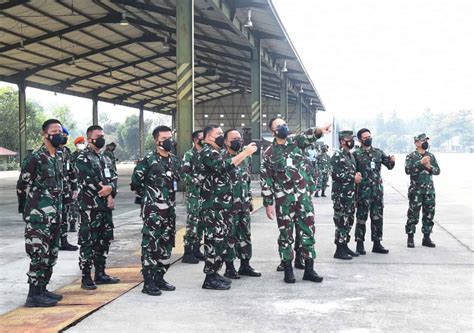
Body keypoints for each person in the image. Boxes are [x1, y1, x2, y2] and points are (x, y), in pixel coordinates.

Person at [261, 117, 330, 283]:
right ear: (273, 131)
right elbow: (266, 180)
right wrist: (268, 203)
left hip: (303, 199)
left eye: (284, 124)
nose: (283, 127)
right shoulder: (269, 153)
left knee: (308, 232)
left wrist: (319, 130)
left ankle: (309, 269)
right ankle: (288, 270)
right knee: (286, 236)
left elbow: (308, 135)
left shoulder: (295, 142)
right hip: (284, 201)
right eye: (279, 126)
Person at [200, 123, 257, 290]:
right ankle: (210, 278)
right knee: (213, 241)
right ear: (209, 136)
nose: (219, 135)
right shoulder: (208, 152)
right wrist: (245, 153)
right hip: (214, 207)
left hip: (224, 207)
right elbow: (222, 167)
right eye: (217, 134)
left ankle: (215, 273)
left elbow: (244, 180)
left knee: (220, 240)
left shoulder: (215, 152)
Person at [17, 119, 65, 307]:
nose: (59, 134)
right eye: (54, 131)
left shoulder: (58, 157)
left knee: (51, 254)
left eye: (60, 131)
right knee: (38, 254)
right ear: (45, 135)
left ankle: (42, 289)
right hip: (38, 218)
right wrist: (28, 210)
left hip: (55, 216)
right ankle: (33, 295)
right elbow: (22, 186)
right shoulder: (35, 158)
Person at [131, 126, 181, 296]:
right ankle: (149, 281)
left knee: (166, 244)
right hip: (153, 210)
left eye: (170, 137)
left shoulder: (174, 160)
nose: (169, 141)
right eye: (164, 138)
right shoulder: (148, 160)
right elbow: (136, 182)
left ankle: (160, 276)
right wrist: (148, 198)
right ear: (156, 140)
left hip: (169, 210)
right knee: (151, 244)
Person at [75, 125, 120, 290]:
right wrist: (107, 192)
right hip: (90, 207)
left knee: (104, 240)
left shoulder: (106, 158)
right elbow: (88, 180)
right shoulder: (82, 158)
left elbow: (114, 177)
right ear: (89, 138)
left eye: (102, 135)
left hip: (105, 208)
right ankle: (86, 276)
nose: (101, 138)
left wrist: (111, 189)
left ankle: (100, 273)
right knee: (88, 242)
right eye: (97, 136)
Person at [221, 129, 261, 279]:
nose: (237, 141)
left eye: (239, 138)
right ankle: (229, 267)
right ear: (225, 142)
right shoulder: (221, 158)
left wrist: (249, 198)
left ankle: (245, 265)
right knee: (229, 236)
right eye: (233, 139)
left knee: (245, 235)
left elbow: (247, 180)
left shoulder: (246, 159)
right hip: (228, 206)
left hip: (243, 204)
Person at [353, 128, 395, 255]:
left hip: (377, 192)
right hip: (363, 193)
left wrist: (392, 161)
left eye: (369, 136)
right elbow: (352, 172)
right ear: (360, 140)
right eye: (365, 138)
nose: (368, 139)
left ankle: (377, 243)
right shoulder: (355, 154)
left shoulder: (378, 152)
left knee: (377, 217)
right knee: (361, 218)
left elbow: (389, 166)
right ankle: (359, 244)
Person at [405, 133, 440, 248]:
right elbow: (408, 170)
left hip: (429, 191)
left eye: (426, 140)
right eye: (422, 140)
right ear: (416, 143)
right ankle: (410, 238)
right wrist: (420, 163)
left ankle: (427, 237)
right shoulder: (411, 156)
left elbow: (437, 171)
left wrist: (429, 166)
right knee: (413, 215)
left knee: (429, 214)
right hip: (416, 191)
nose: (425, 142)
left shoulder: (431, 156)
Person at [331, 131, 361, 260]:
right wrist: (352, 178)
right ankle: (339, 249)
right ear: (342, 141)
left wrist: (357, 177)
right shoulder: (337, 156)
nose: (352, 141)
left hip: (350, 195)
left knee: (349, 221)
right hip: (341, 196)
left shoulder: (350, 156)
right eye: (349, 139)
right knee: (341, 222)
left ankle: (345, 245)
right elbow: (336, 174)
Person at [180, 130, 206, 264]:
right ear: (196, 140)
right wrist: (195, 180)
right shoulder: (189, 155)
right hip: (194, 195)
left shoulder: (207, 154)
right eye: (203, 138)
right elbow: (183, 174)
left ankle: (196, 249)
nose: (205, 140)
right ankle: (188, 252)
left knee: (201, 223)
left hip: (205, 195)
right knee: (192, 223)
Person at [57, 127, 79, 251]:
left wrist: (74, 187)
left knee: (64, 215)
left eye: (66, 135)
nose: (64, 137)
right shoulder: (49, 151)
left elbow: (71, 171)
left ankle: (63, 241)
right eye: (63, 135)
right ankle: (51, 242)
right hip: (52, 192)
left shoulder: (66, 151)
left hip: (65, 190)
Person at [68, 136, 86, 232]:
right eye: (80, 143)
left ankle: (83, 222)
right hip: (76, 182)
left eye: (83, 142)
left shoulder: (88, 155)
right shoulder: (72, 156)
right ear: (76, 145)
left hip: (85, 183)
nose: (82, 144)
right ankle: (72, 222)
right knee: (74, 204)